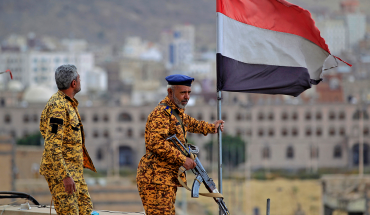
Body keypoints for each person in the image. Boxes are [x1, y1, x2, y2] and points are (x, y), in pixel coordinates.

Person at [136, 74, 225, 215]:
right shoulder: (161, 113)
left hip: (166, 179)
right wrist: (183, 159)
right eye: (183, 93)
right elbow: (156, 143)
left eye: (189, 92)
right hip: (155, 179)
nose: (187, 97)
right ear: (170, 92)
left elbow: (191, 123)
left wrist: (211, 127)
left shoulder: (176, 112)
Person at [39, 64, 96, 215]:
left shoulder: (68, 103)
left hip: (75, 172)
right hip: (63, 174)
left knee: (87, 210)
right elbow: (52, 146)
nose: (80, 79)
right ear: (74, 83)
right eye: (79, 77)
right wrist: (65, 176)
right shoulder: (58, 106)